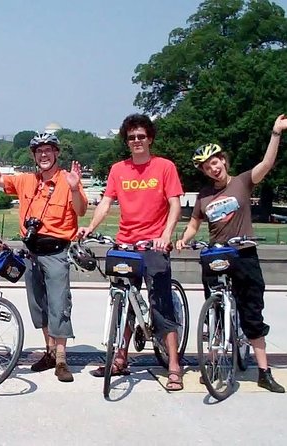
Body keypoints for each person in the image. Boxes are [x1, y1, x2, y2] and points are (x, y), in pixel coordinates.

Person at [175, 114, 287, 393]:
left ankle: (263, 370)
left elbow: (266, 164)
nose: (212, 168)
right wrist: (183, 240)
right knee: (214, 312)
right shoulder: (203, 196)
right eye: (206, 166)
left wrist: (276, 133)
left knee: (252, 313)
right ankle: (212, 363)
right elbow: (193, 225)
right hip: (216, 255)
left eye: (215, 162)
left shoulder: (242, 182)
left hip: (244, 253)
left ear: (223, 160)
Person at [80, 113, 184, 390]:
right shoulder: (118, 169)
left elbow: (175, 205)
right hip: (125, 243)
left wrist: (165, 235)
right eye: (131, 137)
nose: (136, 141)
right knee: (122, 302)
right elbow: (106, 202)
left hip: (153, 244)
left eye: (141, 136)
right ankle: (120, 358)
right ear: (127, 142)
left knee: (161, 304)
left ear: (149, 138)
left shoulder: (164, 167)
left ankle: (174, 364)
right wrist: (89, 227)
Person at [0, 132, 87, 383]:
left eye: (48, 150)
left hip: (57, 251)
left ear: (56, 153)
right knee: (39, 305)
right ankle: (48, 351)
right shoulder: (27, 181)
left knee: (59, 304)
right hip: (31, 252)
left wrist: (74, 188)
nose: (44, 155)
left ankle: (60, 358)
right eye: (39, 151)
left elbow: (80, 210)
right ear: (34, 156)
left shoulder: (68, 180)